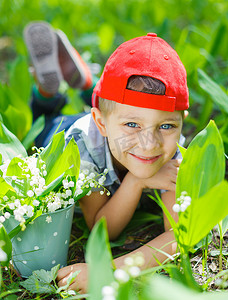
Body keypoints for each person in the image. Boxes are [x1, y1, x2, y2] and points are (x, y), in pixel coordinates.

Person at [24, 22, 189, 293]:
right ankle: (46, 92)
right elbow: (102, 227)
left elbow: (180, 235)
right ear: (100, 123)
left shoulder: (172, 151)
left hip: (106, 119)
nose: (149, 145)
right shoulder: (80, 149)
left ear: (181, 123)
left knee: (115, 106)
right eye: (133, 126)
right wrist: (135, 181)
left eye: (166, 126)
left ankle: (87, 83)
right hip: (64, 131)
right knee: (43, 121)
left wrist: (112, 269)